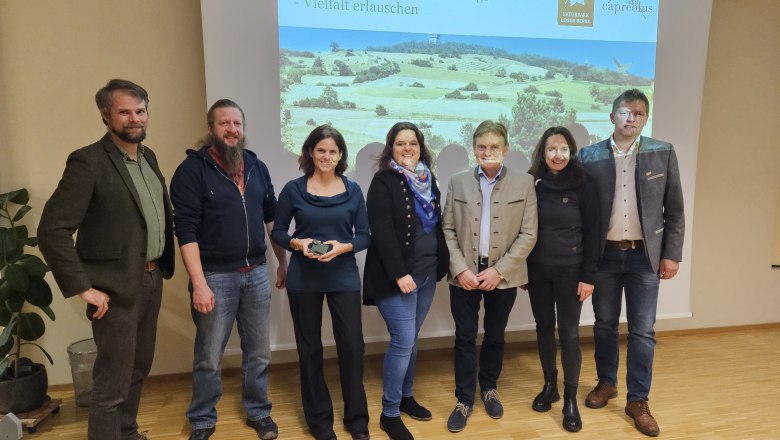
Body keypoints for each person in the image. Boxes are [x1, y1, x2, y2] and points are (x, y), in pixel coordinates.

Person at [38, 79, 174, 440]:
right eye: (124, 111)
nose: (134, 118)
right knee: (111, 384)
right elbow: (52, 230)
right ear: (105, 115)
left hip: (150, 279)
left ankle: (127, 434)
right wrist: (84, 288)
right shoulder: (88, 162)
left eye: (140, 110)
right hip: (114, 291)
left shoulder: (148, 157)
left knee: (138, 369)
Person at [169, 99, 286, 440]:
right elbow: (185, 230)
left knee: (259, 352)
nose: (232, 129)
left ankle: (259, 412)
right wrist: (199, 283)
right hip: (215, 277)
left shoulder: (255, 165)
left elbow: (271, 217)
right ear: (211, 129)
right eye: (224, 123)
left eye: (237, 123)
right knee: (209, 356)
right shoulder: (192, 170)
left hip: (257, 273)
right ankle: (203, 418)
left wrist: (283, 261)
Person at [580, 89, 684, 437]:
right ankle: (607, 383)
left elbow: (676, 210)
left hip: (645, 257)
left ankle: (638, 399)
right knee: (605, 323)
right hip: (605, 255)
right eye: (625, 112)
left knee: (642, 330)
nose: (632, 119)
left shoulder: (662, 152)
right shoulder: (589, 155)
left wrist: (671, 253)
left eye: (639, 114)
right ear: (612, 117)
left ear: (644, 119)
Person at [271, 125, 370, 440]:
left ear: (340, 155)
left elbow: (365, 235)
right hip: (304, 278)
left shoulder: (353, 190)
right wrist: (298, 244)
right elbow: (278, 232)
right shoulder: (293, 189)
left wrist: (344, 247)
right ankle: (319, 421)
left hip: (343, 275)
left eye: (333, 151)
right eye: (321, 150)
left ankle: (357, 419)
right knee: (310, 349)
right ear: (310, 152)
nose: (326, 156)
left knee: (352, 348)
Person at [442, 120, 537, 433]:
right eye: (481, 146)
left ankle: (490, 388)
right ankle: (464, 399)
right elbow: (448, 229)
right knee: (465, 337)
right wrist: (460, 269)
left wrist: (499, 271)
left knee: (496, 335)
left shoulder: (525, 183)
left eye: (494, 146)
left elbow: (528, 233)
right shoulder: (457, 181)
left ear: (505, 149)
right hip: (465, 275)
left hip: (503, 275)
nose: (487, 152)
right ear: (474, 149)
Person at [362, 122, 450, 440]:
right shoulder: (384, 181)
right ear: (391, 148)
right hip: (396, 277)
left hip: (426, 273)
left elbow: (438, 226)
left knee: (411, 337)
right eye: (400, 144)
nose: (407, 149)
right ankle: (389, 413)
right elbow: (382, 231)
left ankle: (406, 396)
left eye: (413, 143)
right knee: (403, 340)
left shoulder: (428, 179)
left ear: (421, 146)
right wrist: (400, 273)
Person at [525, 126, 600, 432]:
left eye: (564, 149)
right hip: (538, 269)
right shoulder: (531, 182)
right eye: (552, 149)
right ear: (543, 153)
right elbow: (523, 229)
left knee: (568, 333)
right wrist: (521, 270)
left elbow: (595, 233)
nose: (558, 155)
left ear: (572, 152)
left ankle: (569, 399)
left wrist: (589, 276)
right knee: (543, 326)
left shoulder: (585, 184)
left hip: (572, 270)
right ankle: (550, 385)